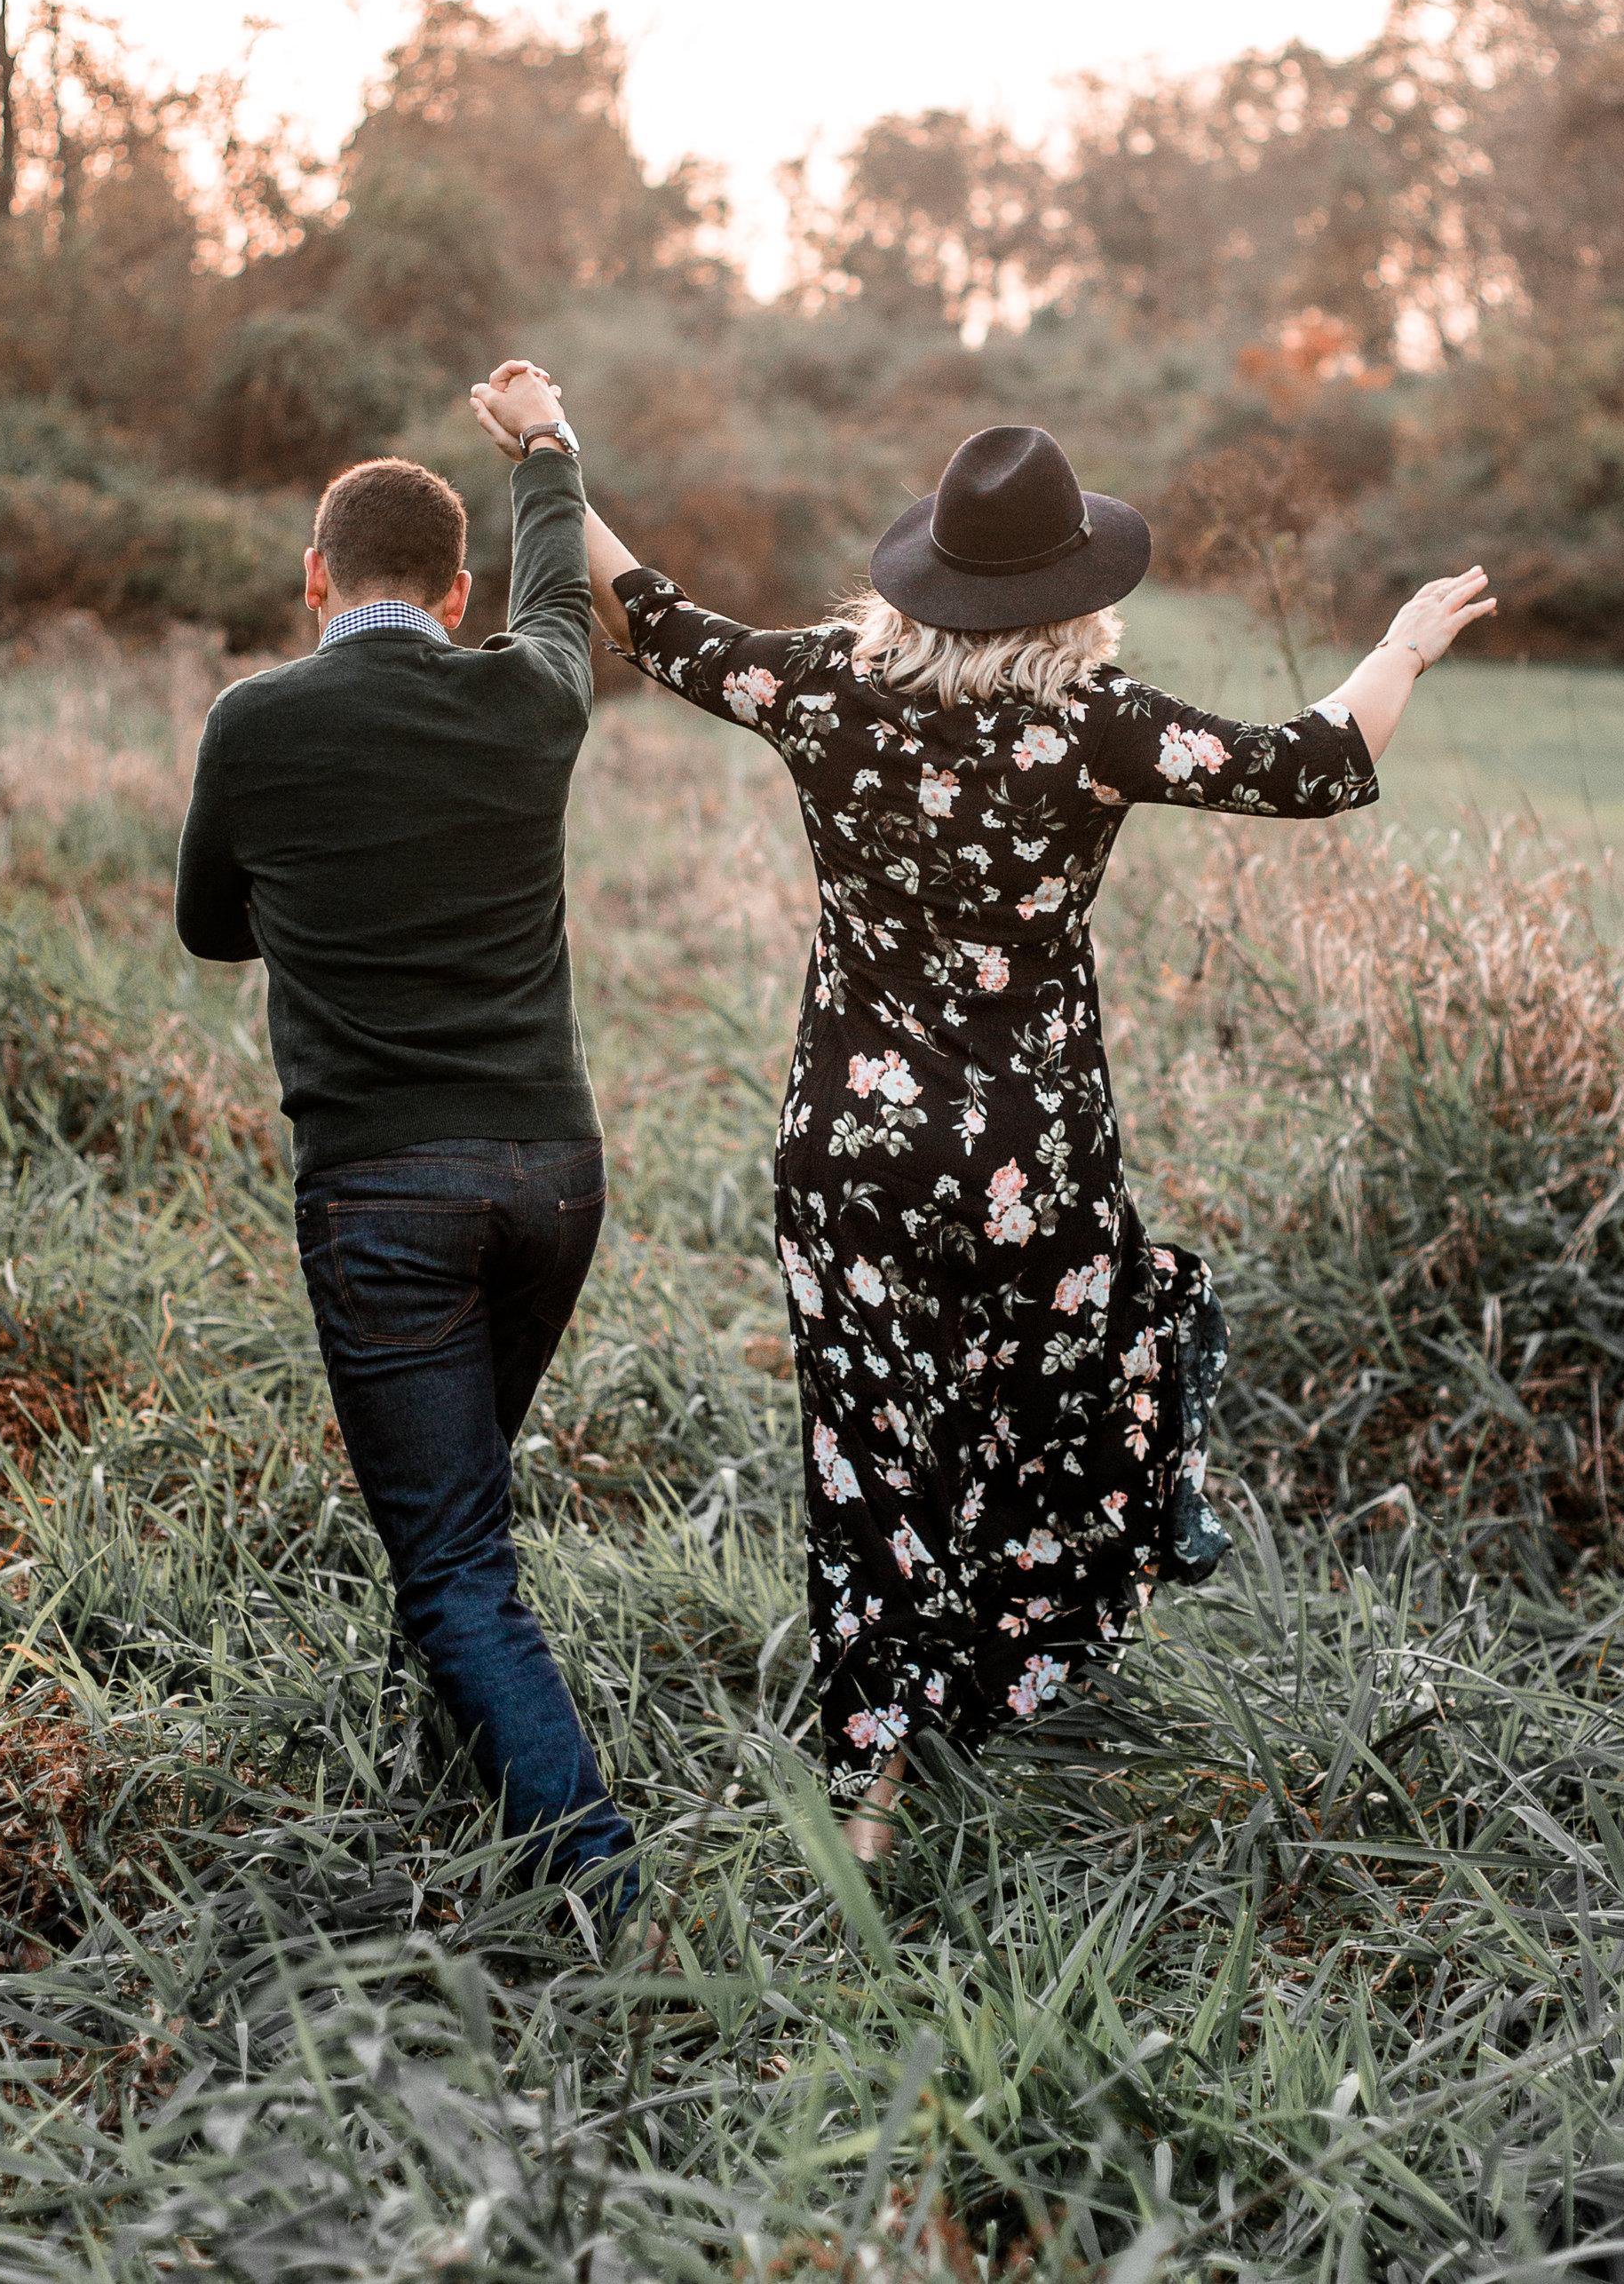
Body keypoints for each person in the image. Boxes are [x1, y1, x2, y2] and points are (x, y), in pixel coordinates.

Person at [468, 384, 1493, 1862]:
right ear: (1075, 590)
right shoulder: (1092, 722)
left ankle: (877, 1784)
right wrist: (1402, 643)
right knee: (1045, 1419)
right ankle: (996, 1692)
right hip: (1035, 1164)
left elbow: (650, 616)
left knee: (870, 1455)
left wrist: (552, 455)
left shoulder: (827, 685)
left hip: (850, 1157)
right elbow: (1312, 764)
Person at [173, 412, 638, 1929]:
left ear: (316, 579)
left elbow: (209, 927)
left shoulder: (255, 723)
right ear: (455, 594)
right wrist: (547, 450)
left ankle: (603, 1892)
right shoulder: (525, 692)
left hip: (386, 1193)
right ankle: (457, 1761)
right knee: (454, 1510)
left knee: (452, 1556)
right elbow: (567, 599)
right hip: (554, 1181)